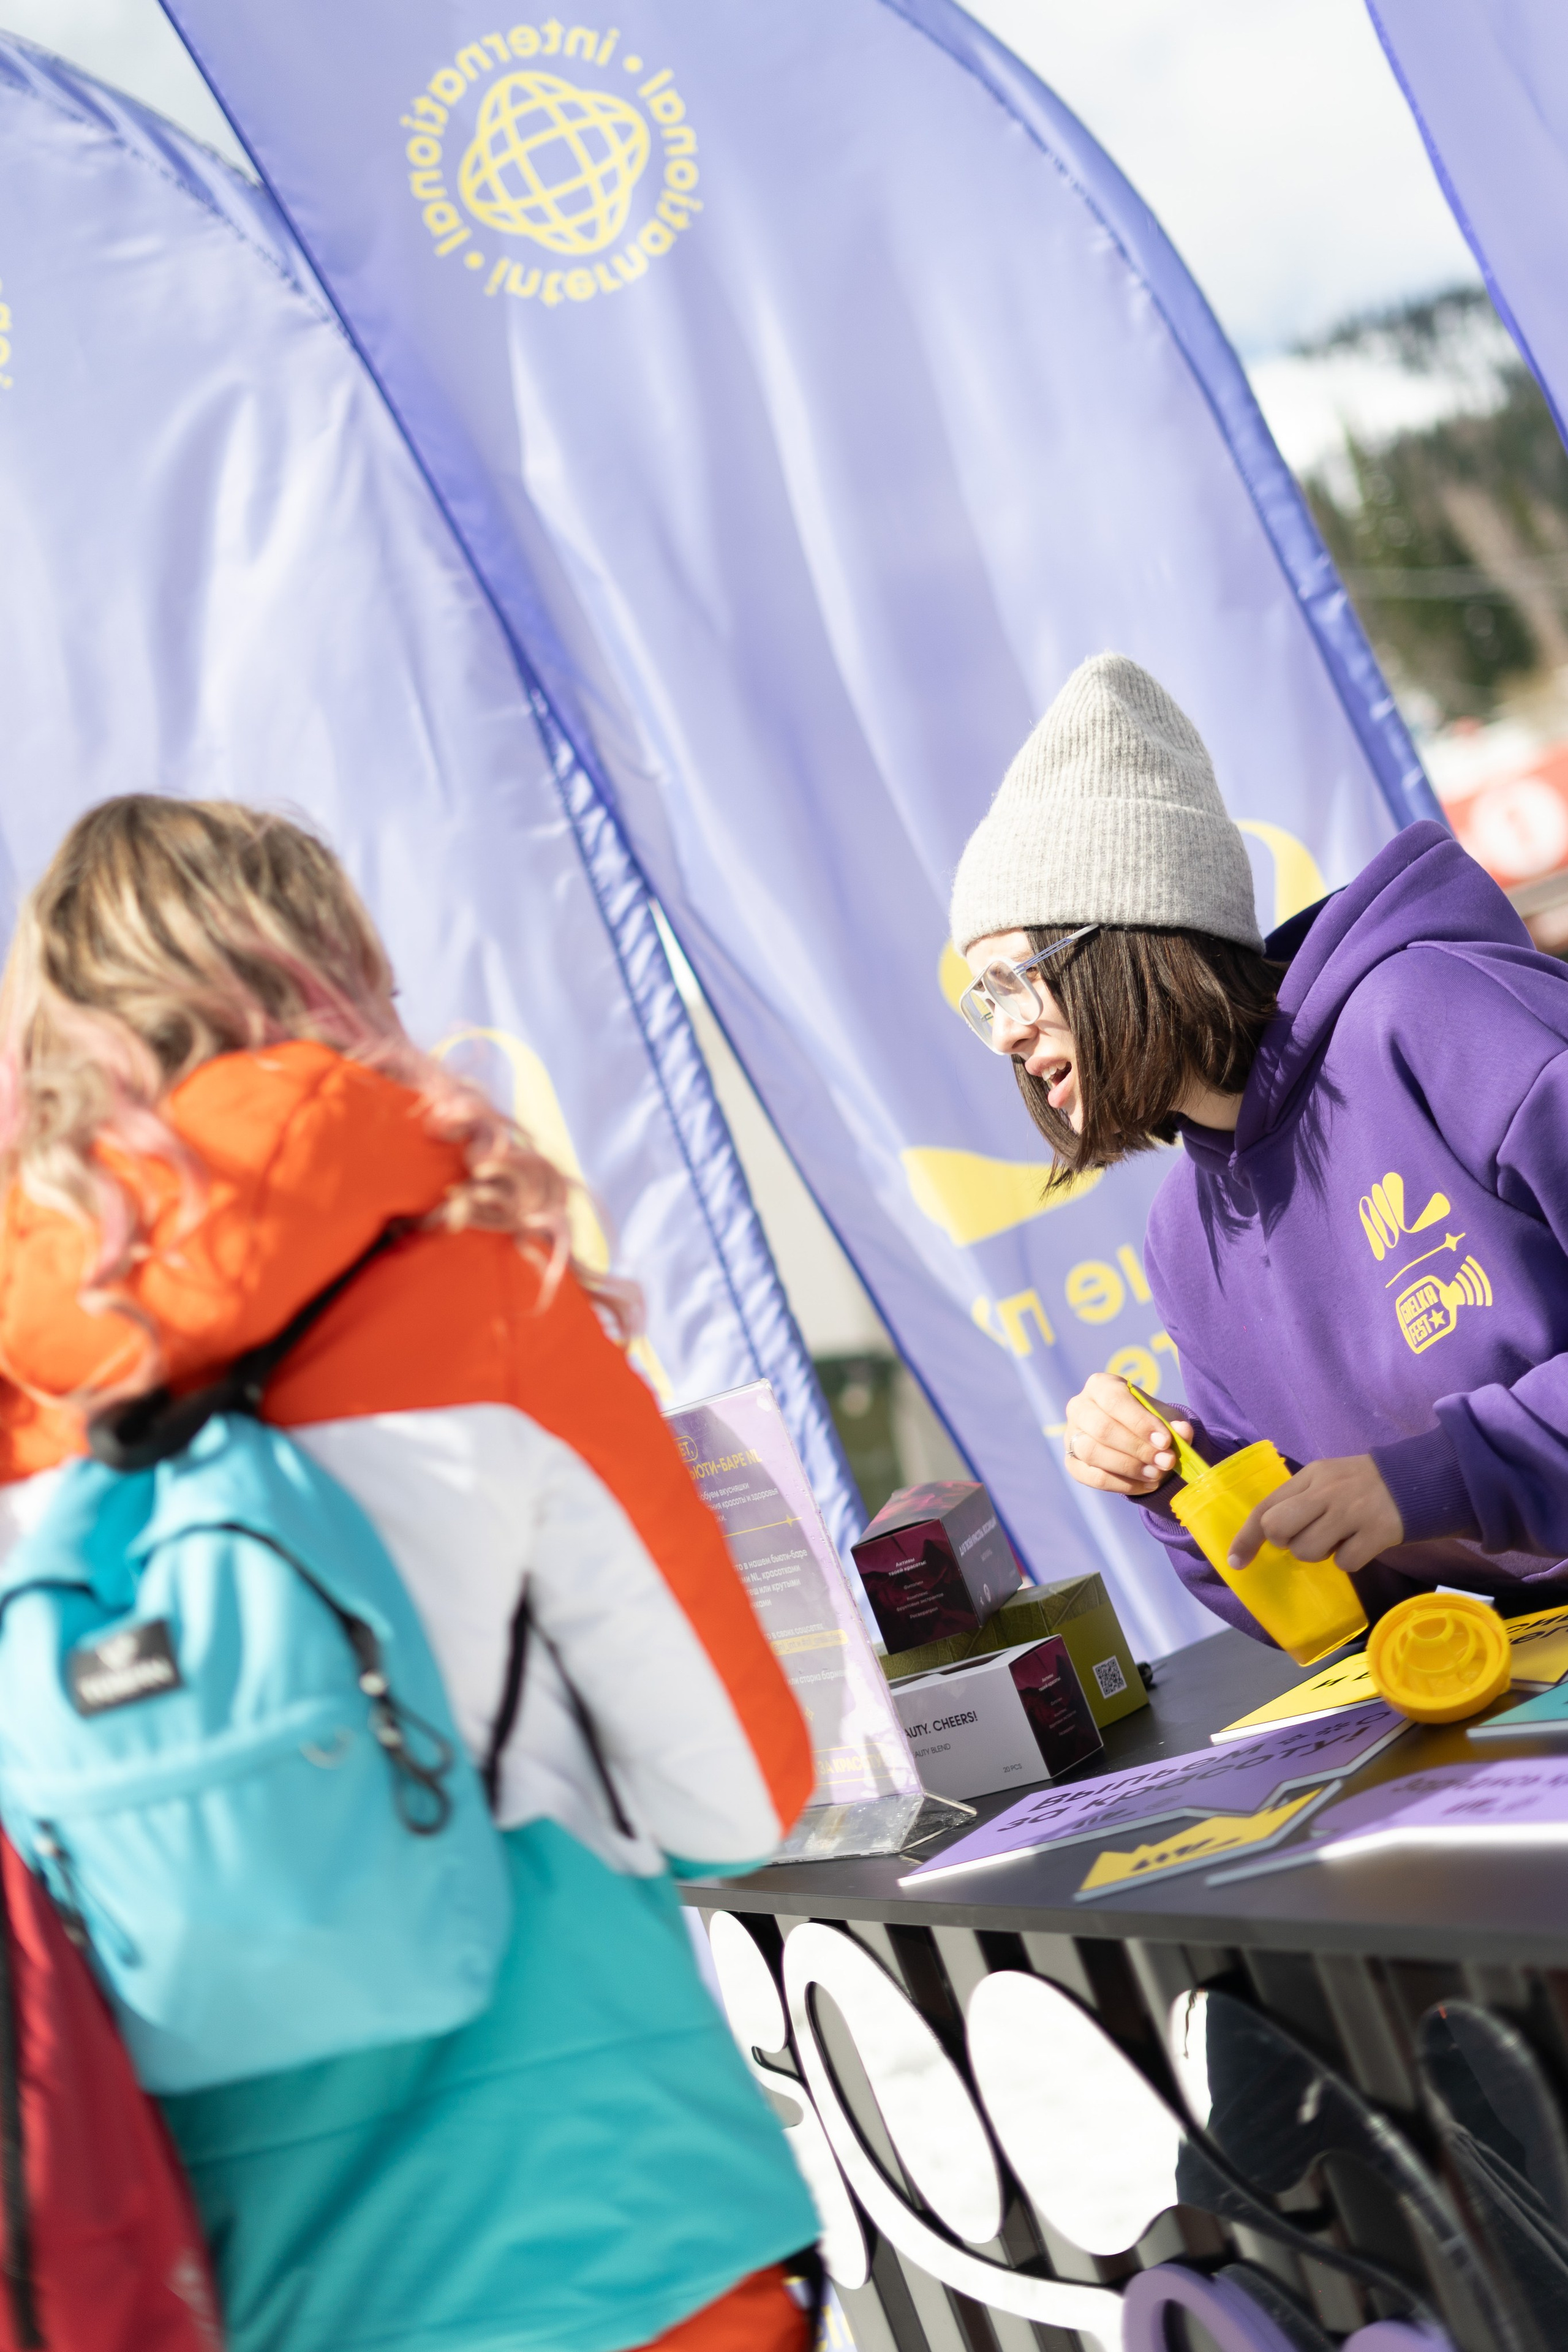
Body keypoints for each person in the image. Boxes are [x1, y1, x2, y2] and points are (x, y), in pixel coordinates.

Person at [0, 797, 819, 2352]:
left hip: (241, 2281)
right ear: (326, 979)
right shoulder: (480, 1297)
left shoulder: (22, 1405)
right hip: (620, 2223)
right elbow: (736, 1796)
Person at [949, 650, 1568, 1636]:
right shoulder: (1184, 1237)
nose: (1007, 1036)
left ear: (1132, 932)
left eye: (1015, 981)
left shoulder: (1435, 1016)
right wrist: (1178, 1479)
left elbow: (1419, 1490)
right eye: (985, 1004)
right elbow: (1341, 1607)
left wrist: (1441, 1474)